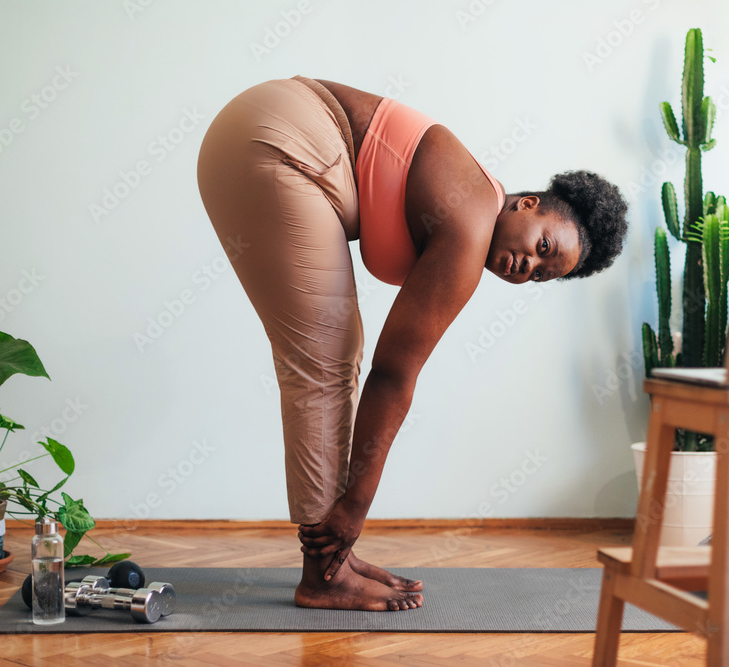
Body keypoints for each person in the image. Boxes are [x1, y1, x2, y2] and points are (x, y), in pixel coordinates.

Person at [196, 76, 628, 612]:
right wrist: (356, 504)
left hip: (263, 129)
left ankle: (333, 562)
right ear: (529, 205)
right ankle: (323, 572)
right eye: (544, 245)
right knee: (324, 358)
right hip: (278, 140)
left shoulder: (474, 201)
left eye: (542, 273)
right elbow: (395, 373)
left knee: (333, 351)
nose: (529, 267)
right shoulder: (472, 222)